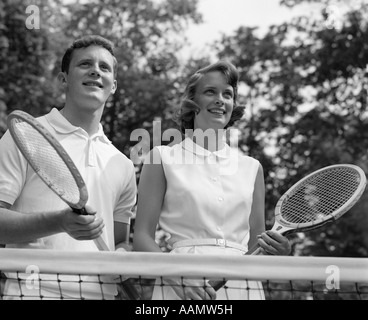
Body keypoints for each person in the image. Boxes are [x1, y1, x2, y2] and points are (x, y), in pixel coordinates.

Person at [133, 60, 291, 300]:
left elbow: (255, 249)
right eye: (210, 92)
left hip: (242, 287)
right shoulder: (161, 157)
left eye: (227, 94)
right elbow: (142, 237)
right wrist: (175, 275)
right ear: (192, 102)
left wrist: (278, 252)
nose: (220, 99)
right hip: (181, 285)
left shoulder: (252, 167)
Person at [0, 35, 137, 299]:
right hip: (32, 293)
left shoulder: (123, 165)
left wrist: (123, 257)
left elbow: (120, 241)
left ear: (114, 85)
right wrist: (59, 222)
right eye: (85, 64)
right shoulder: (28, 136)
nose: (96, 71)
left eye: (104, 67)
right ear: (64, 79)